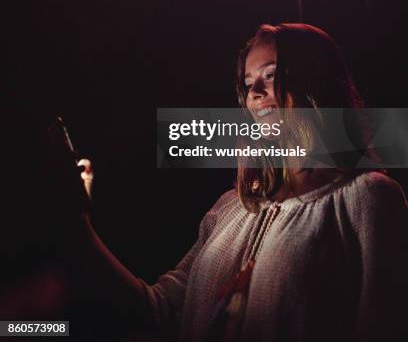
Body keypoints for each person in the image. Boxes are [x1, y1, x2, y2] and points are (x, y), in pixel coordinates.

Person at [67, 24, 408, 342]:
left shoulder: (369, 198)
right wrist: (76, 222)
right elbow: (160, 312)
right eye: (247, 84)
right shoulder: (230, 208)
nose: (255, 93)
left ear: (315, 83)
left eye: (271, 76)